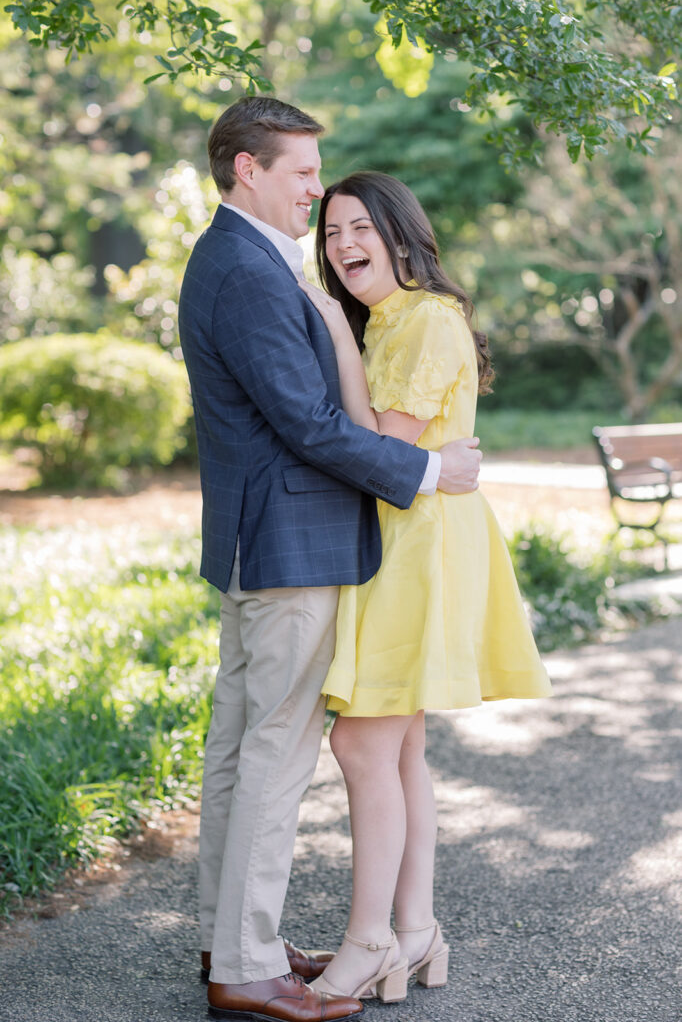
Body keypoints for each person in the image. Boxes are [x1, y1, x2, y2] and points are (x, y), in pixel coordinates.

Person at [178, 99, 483, 1022]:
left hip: (263, 541)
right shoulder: (244, 268)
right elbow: (306, 425)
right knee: (269, 756)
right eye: (305, 173)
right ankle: (244, 965)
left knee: (240, 752)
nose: (316, 189)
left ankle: (237, 942)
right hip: (288, 544)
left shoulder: (240, 262)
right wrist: (430, 469)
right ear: (248, 169)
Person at [298, 171, 553, 1002]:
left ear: (401, 233)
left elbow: (384, 447)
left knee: (361, 743)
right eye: (331, 233)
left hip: (418, 548)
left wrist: (335, 335)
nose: (343, 246)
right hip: (410, 539)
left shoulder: (422, 322)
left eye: (359, 228)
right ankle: (416, 932)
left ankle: (370, 939)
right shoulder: (395, 321)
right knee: (398, 745)